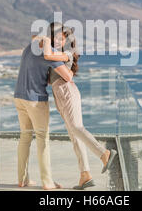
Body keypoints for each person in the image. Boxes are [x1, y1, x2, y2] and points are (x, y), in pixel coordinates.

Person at [40, 23, 118, 190]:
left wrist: (45, 43)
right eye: (55, 37)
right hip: (60, 93)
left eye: (61, 38)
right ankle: (85, 175)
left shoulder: (66, 53)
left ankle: (104, 153)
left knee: (76, 127)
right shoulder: (57, 53)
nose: (58, 40)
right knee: (74, 136)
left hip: (66, 91)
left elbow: (49, 56)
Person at [13, 31, 73, 190]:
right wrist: (70, 64)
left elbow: (35, 71)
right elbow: (67, 76)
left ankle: (22, 179)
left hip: (19, 96)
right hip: (35, 100)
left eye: (63, 40)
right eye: (58, 39)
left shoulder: (29, 47)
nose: (60, 42)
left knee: (25, 137)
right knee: (42, 139)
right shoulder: (50, 53)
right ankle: (47, 182)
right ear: (50, 37)